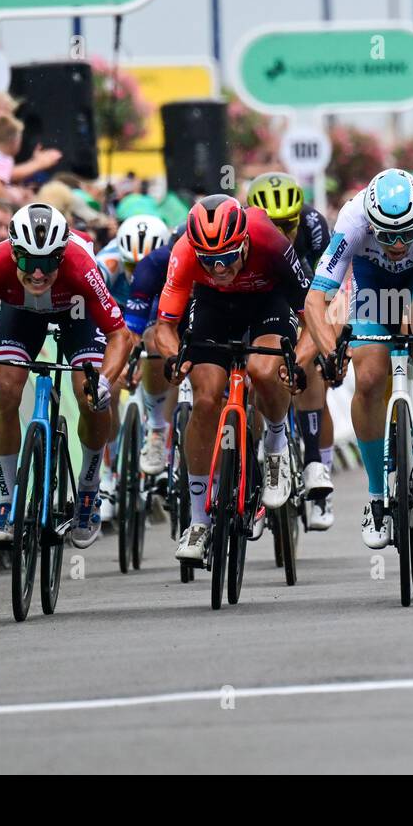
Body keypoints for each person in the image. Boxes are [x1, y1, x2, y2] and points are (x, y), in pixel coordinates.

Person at [302, 169, 413, 556]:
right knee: (368, 378)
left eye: (407, 234)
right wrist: (330, 350)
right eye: (387, 236)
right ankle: (375, 495)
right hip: (374, 285)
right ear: (371, 223)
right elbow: (315, 301)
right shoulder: (352, 218)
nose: (399, 244)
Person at [153, 196, 316, 563]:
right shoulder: (185, 252)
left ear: (244, 241)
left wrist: (298, 362)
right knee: (207, 397)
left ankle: (274, 446)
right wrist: (173, 358)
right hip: (212, 306)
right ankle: (198, 521)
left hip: (267, 302)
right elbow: (165, 327)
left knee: (262, 369)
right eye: (209, 260)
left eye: (228, 257)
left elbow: (313, 314)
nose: (220, 267)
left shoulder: (269, 239)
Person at [0, 203, 132, 548]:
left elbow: (120, 336)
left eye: (47, 263)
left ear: (61, 256)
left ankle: (88, 490)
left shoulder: (81, 266)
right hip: (21, 312)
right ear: (13, 254)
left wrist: (103, 382)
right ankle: (6, 501)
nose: (38, 274)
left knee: (90, 395)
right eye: (28, 263)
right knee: (6, 390)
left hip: (77, 309)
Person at [246, 171, 338, 529]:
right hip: (259, 300)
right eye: (271, 224)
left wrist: (328, 347)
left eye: (288, 225)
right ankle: (252, 483)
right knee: (255, 377)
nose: (280, 234)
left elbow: (327, 294)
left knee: (312, 365)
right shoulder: (240, 229)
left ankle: (316, 464)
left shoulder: (315, 226)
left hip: (306, 296)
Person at [94, 213, 171, 524]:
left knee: (161, 352)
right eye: (131, 267)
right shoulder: (107, 263)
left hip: (157, 316)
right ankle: (108, 475)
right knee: (106, 390)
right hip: (117, 321)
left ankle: (157, 429)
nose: (137, 273)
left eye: (143, 266)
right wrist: (118, 361)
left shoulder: (170, 261)